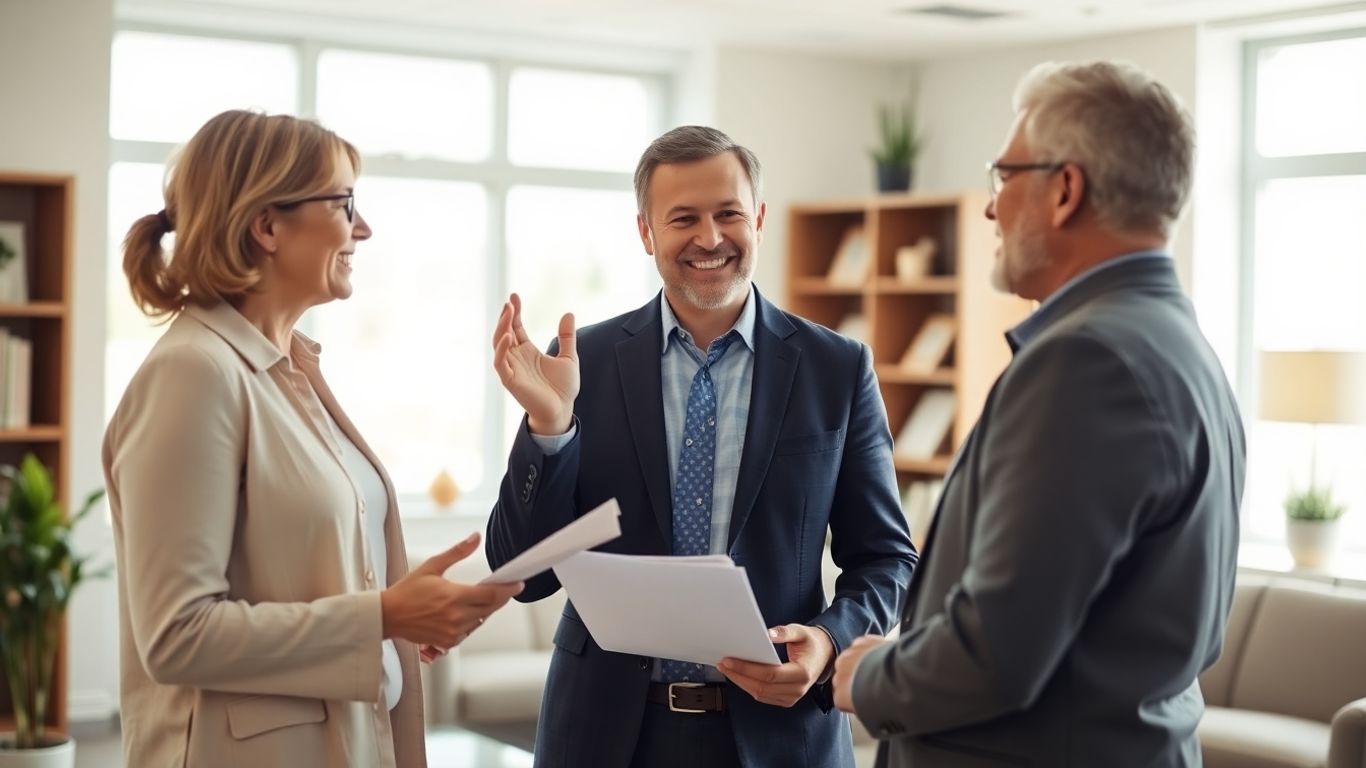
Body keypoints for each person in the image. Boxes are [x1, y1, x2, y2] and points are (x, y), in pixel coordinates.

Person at [832, 60, 1247, 767]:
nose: (990, 208)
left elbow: (998, 648)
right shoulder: (1176, 342)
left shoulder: (1087, 363)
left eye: (1003, 175)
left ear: (1064, 190)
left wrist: (868, 676)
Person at [486, 125, 916, 767]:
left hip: (778, 735)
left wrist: (829, 641)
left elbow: (886, 558)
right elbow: (523, 576)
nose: (710, 238)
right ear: (646, 233)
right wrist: (550, 428)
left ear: (760, 220)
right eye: (683, 218)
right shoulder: (585, 365)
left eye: (729, 214)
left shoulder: (837, 368)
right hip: (606, 736)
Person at [103, 109, 523, 768]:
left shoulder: (289, 368)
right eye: (345, 202)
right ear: (267, 225)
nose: (363, 228)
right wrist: (383, 616)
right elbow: (177, 636)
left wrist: (412, 610)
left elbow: (308, 574)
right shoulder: (194, 372)